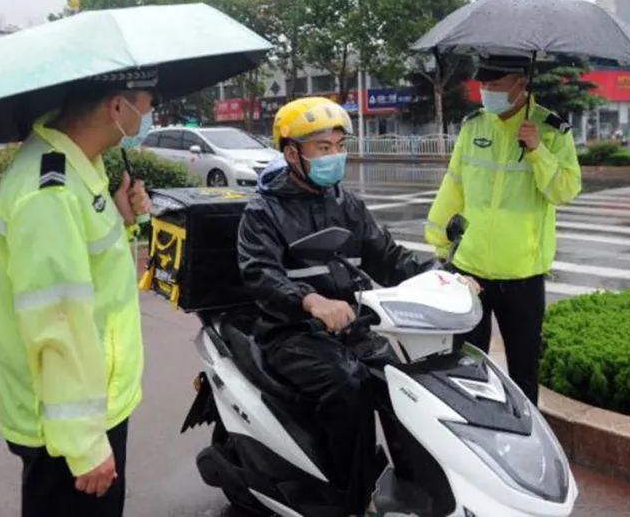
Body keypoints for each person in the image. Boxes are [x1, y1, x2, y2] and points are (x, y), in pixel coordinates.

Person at [236, 96, 439, 517]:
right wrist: (309, 300)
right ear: (292, 153)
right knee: (349, 387)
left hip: (352, 327)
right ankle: (353, 498)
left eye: (339, 146)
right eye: (323, 149)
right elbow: (259, 274)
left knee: (403, 384)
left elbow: (390, 257)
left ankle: (420, 490)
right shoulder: (263, 210)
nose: (335, 157)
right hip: (290, 333)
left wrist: (444, 275)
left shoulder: (346, 204)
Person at [0, 68, 157, 517]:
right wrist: (83, 445)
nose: (151, 112)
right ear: (117, 107)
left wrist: (123, 218)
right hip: (68, 429)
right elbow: (54, 323)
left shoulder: (82, 165)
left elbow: (90, 274)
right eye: (146, 100)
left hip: (93, 406)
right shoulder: (49, 193)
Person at [425, 55, 581, 405]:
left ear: (520, 84)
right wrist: (438, 244)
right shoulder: (474, 126)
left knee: (523, 369)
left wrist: (538, 151)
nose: (487, 93)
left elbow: (565, 191)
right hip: (470, 269)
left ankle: (526, 435)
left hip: (522, 274)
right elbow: (454, 186)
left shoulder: (553, 131)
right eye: (484, 85)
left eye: (495, 86)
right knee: (466, 364)